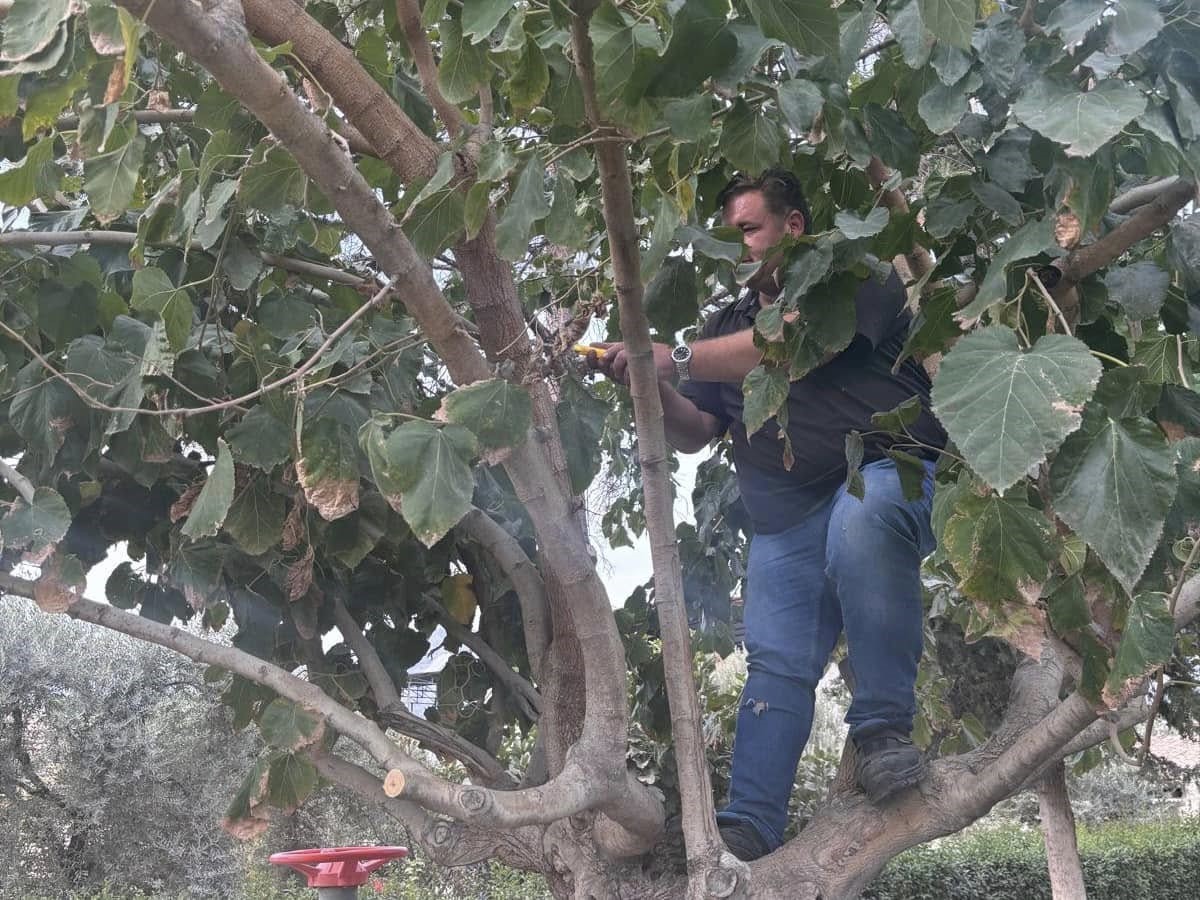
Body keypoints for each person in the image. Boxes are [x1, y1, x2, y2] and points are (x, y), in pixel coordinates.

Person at [594, 169, 947, 862]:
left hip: (874, 473)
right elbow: (698, 429)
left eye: (749, 229)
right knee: (775, 662)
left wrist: (676, 357)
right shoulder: (724, 325)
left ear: (792, 226)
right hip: (783, 518)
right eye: (728, 237)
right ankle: (751, 821)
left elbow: (790, 342)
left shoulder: (849, 275)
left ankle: (883, 733)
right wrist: (647, 380)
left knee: (866, 520)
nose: (740, 247)